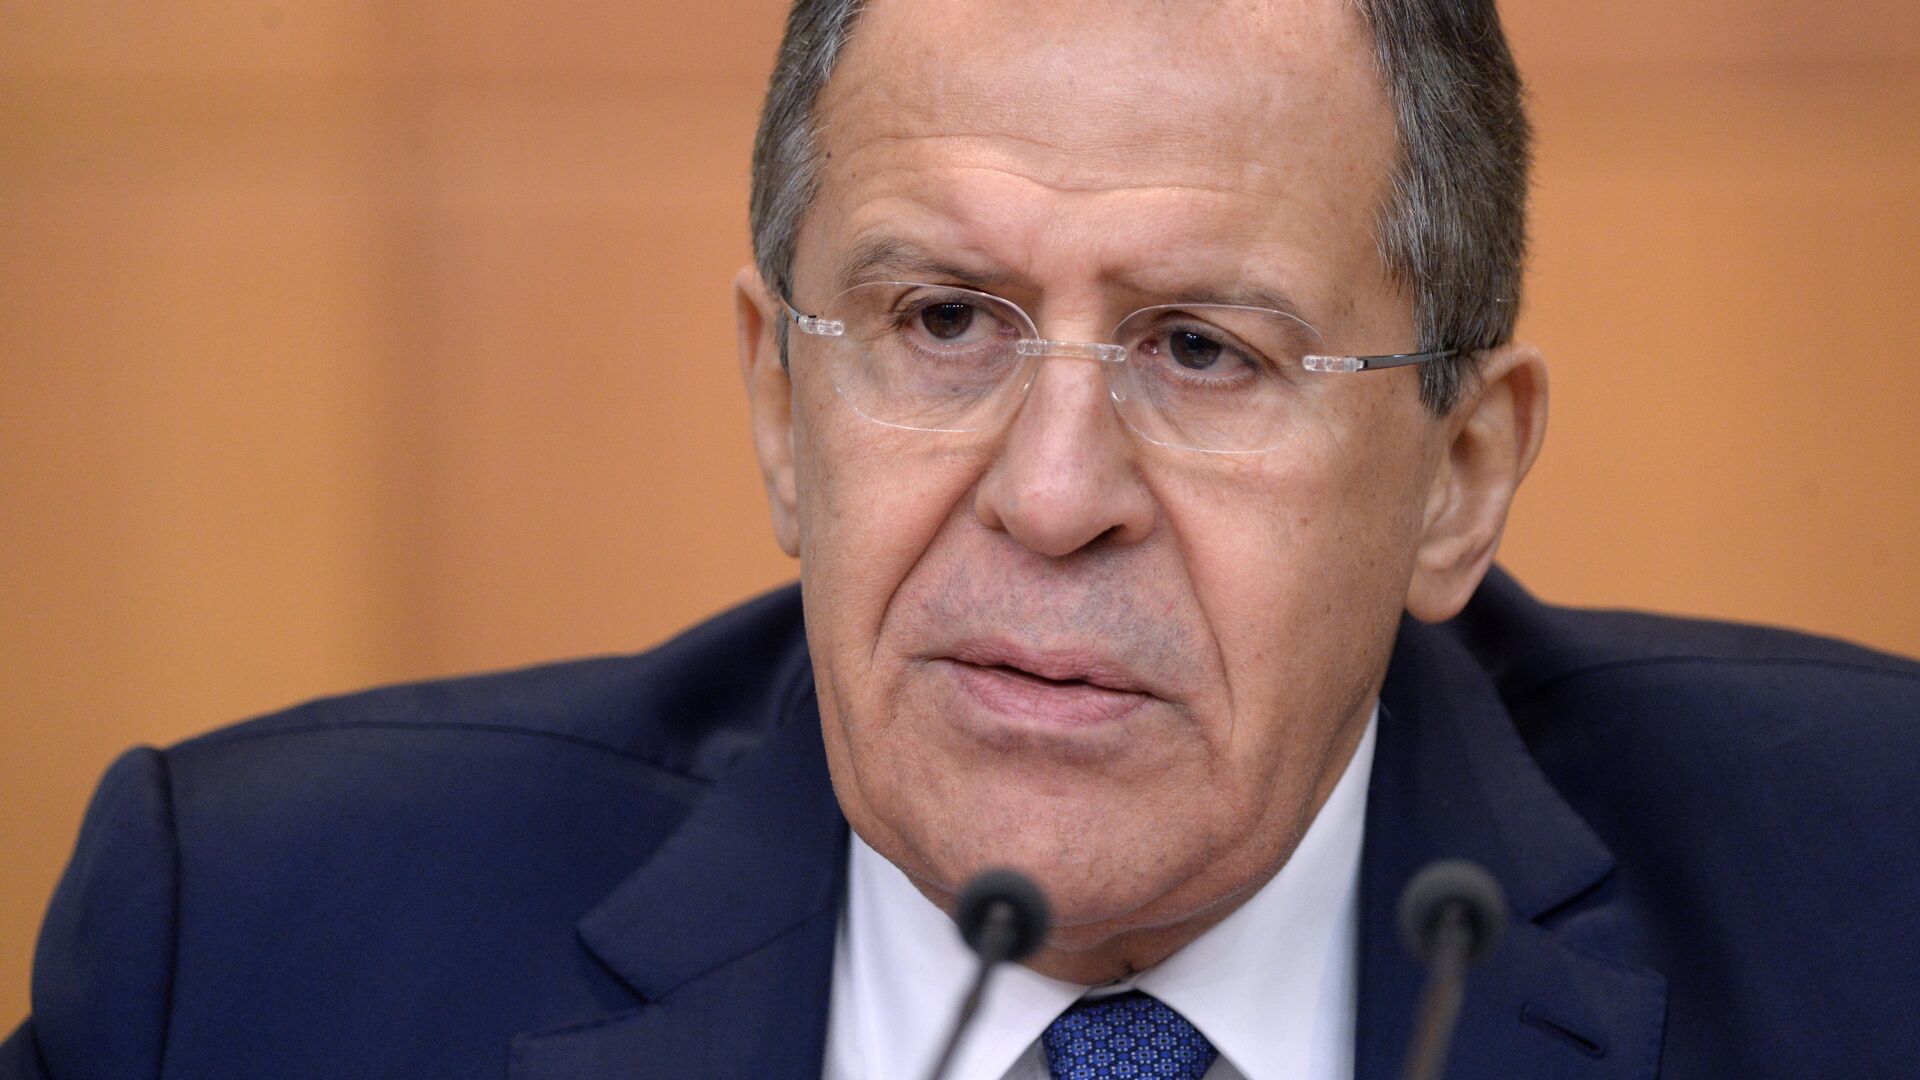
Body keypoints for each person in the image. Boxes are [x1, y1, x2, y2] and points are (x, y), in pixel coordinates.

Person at [5, 0, 1917, 1076]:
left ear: (1460, 474)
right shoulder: (244, 961)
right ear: (781, 402)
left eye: (1201, 348)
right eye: (942, 321)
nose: (1055, 495)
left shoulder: (1873, 912)